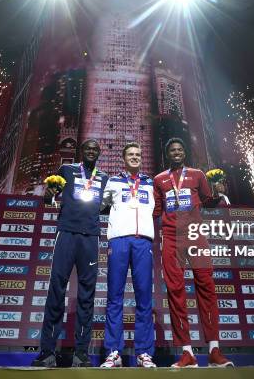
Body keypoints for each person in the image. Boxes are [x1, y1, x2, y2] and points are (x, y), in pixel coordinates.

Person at [153, 138, 234, 368]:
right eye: (172, 150)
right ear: (167, 154)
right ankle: (187, 352)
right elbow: (156, 210)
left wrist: (219, 194)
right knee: (175, 289)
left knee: (207, 288)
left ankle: (214, 350)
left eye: (179, 149)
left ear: (184, 153)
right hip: (171, 237)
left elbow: (208, 201)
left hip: (196, 235)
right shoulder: (159, 179)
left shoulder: (198, 174)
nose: (176, 152)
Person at [31, 139, 108, 368]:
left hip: (91, 237)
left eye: (95, 149)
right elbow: (49, 198)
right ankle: (47, 352)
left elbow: (109, 205)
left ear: (99, 153)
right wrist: (49, 194)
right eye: (88, 148)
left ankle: (81, 353)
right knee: (56, 289)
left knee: (87, 294)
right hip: (66, 233)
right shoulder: (67, 170)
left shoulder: (104, 178)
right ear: (81, 152)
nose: (91, 151)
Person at [99, 143, 156, 368]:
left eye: (138, 154)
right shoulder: (113, 181)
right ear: (123, 158)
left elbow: (159, 208)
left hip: (143, 241)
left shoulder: (151, 183)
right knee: (115, 296)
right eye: (131, 154)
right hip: (119, 240)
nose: (135, 157)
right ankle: (113, 352)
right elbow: (98, 204)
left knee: (144, 298)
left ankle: (144, 353)